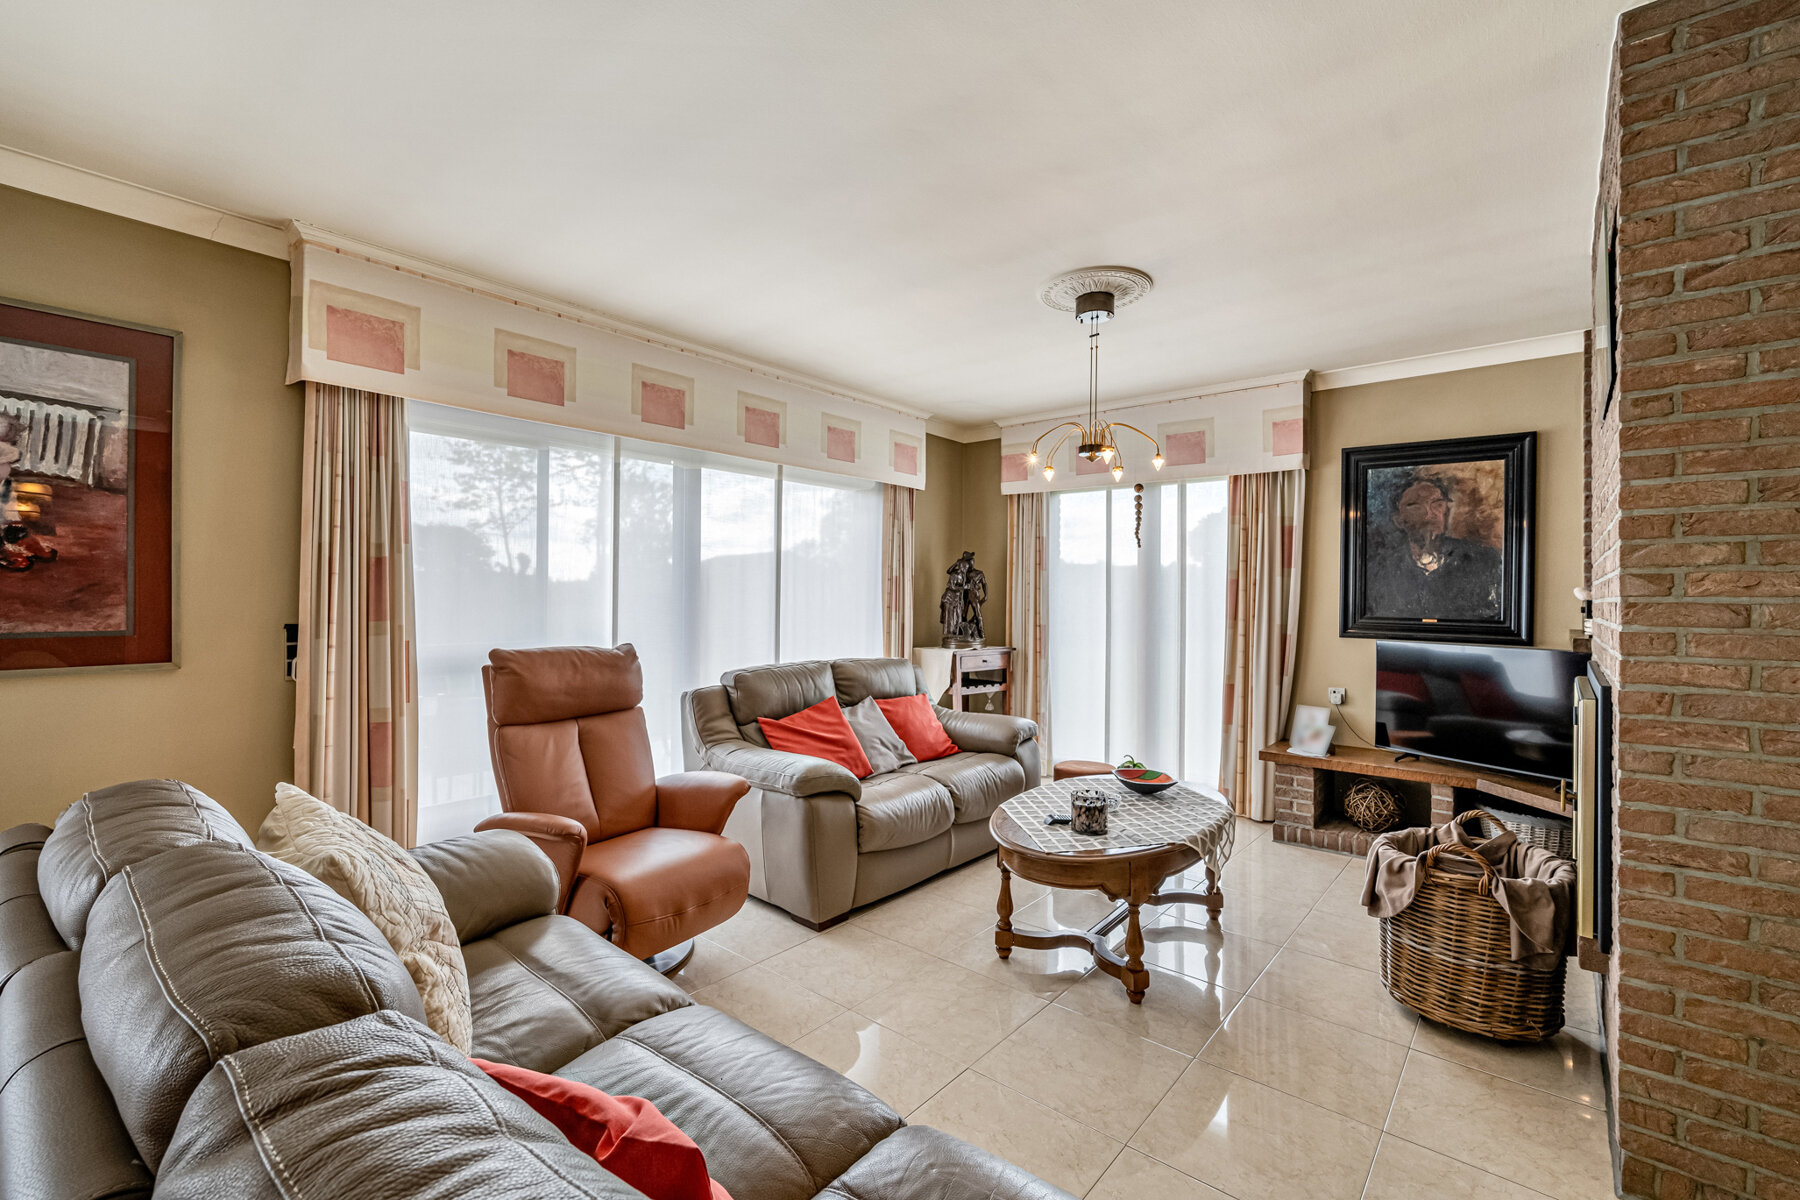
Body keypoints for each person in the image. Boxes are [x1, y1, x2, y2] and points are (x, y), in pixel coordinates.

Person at [1365, 474, 1502, 620]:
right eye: (1415, 506)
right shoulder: (1381, 570)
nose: (1429, 514)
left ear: (1446, 512)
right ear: (1398, 520)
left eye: (1437, 504)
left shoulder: (1483, 561)